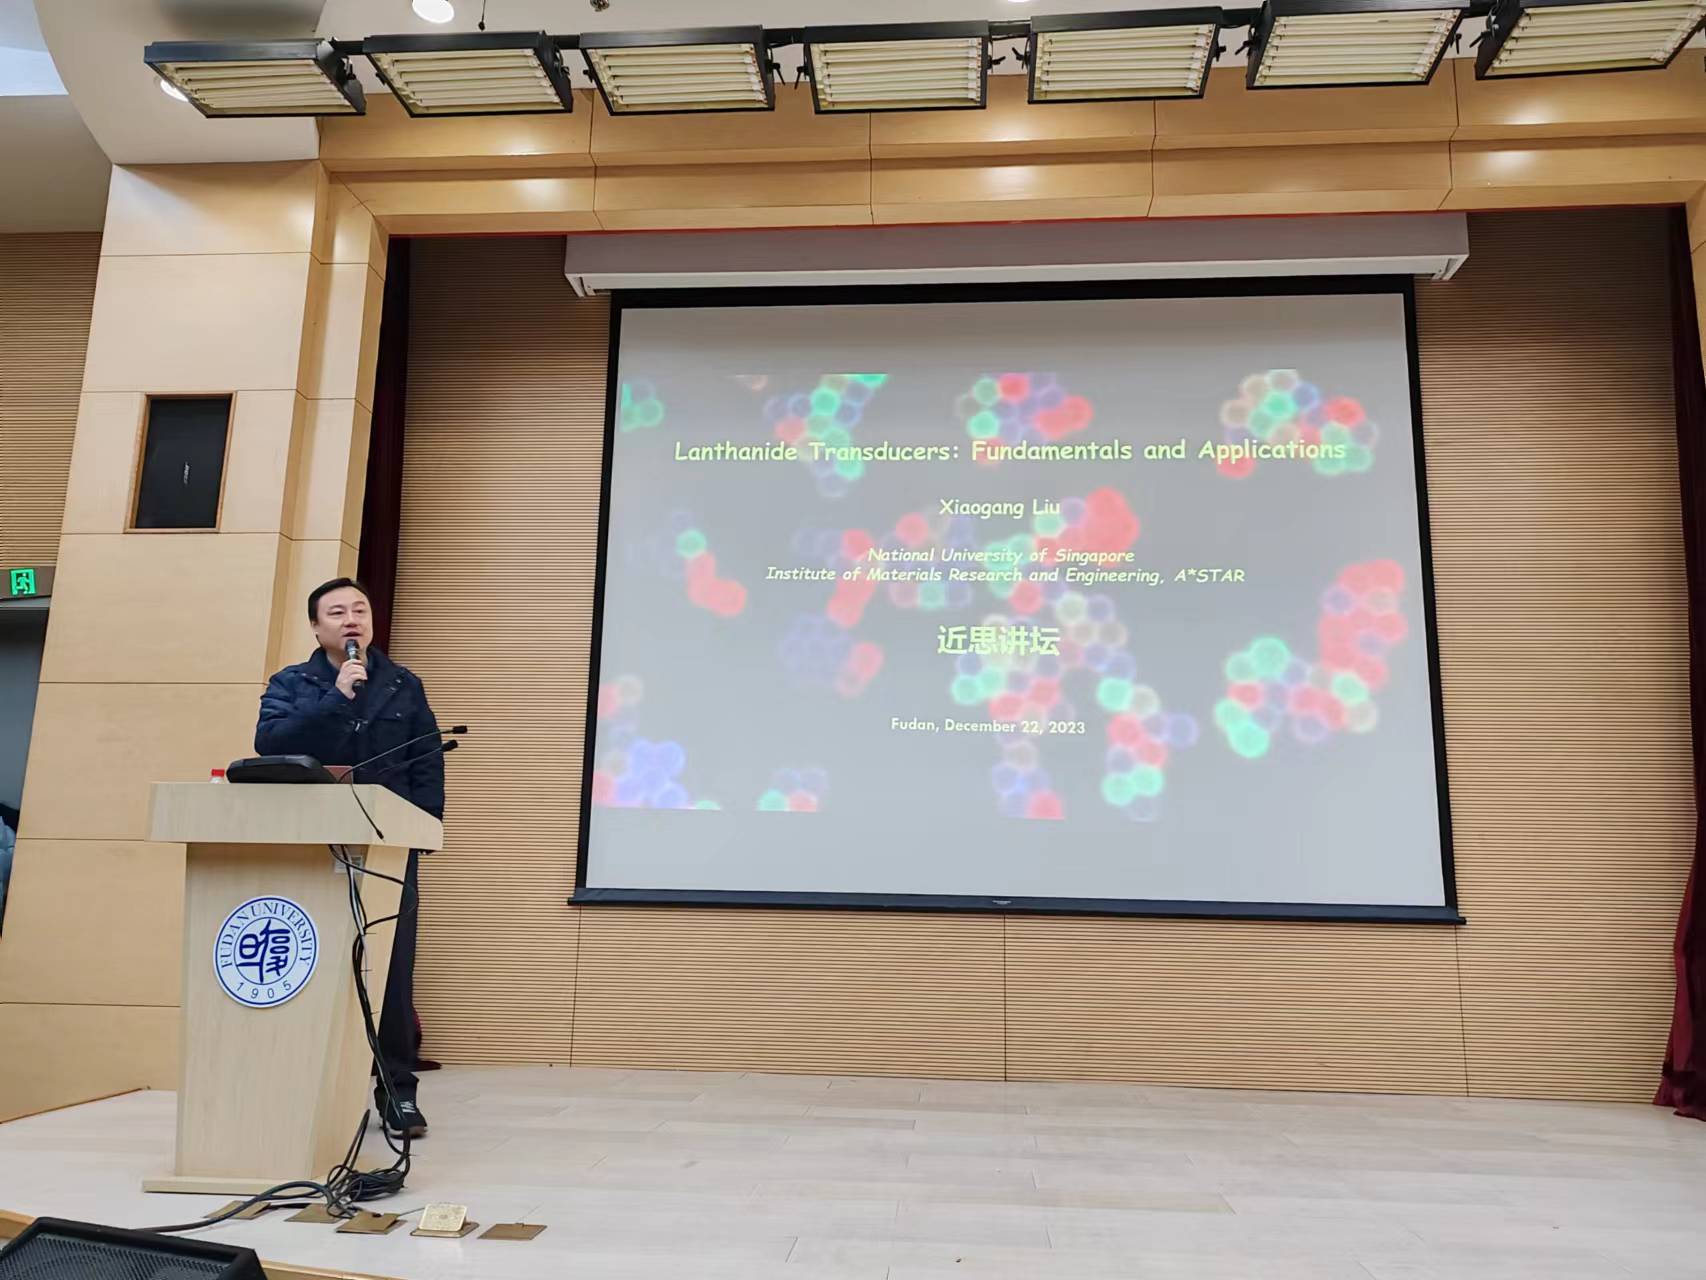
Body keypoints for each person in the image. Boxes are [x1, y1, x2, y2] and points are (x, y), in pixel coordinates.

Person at [255, 578, 443, 1139]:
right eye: (336, 612)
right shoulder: (292, 683)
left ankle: (397, 1093)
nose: (352, 619)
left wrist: (424, 831)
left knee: (391, 970)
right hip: (310, 844)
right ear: (316, 628)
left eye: (360, 609)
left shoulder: (404, 685)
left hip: (388, 844)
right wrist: (336, 699)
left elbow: (427, 760)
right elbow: (270, 743)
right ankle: (303, 1089)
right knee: (313, 961)